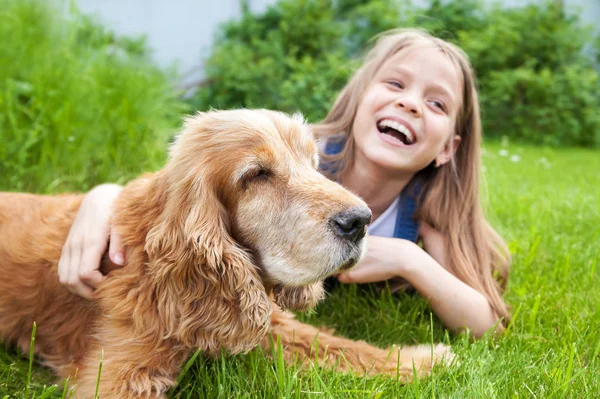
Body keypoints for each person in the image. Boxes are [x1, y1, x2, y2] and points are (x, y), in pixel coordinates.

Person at [58, 29, 510, 338]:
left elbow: (484, 322)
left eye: (435, 102)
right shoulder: (303, 154)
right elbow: (184, 188)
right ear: (358, 101)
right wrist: (104, 198)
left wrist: (412, 259)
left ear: (447, 148)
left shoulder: (426, 207)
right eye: (395, 83)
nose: (410, 104)